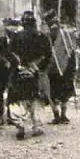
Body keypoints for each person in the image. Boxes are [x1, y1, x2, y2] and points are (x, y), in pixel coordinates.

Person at [7, 11, 52, 140]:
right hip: (36, 71)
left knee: (18, 99)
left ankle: (20, 125)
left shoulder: (16, 36)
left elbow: (10, 54)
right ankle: (37, 126)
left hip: (19, 72)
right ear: (34, 23)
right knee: (36, 99)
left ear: (23, 23)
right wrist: (37, 66)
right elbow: (48, 55)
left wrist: (19, 65)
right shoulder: (42, 36)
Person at [47, 20, 77, 125]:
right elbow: (72, 55)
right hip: (60, 71)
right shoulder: (66, 38)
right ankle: (61, 115)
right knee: (62, 94)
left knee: (56, 94)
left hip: (56, 71)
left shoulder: (50, 38)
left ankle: (59, 115)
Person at [0, 19, 17, 125]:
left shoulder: (18, 40)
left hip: (13, 71)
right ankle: (0, 116)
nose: (11, 31)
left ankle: (11, 116)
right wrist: (4, 61)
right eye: (9, 28)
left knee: (13, 94)